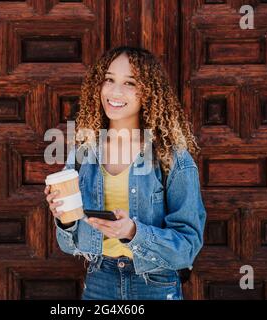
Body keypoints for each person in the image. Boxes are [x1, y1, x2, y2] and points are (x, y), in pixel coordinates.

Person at [44, 46, 206, 300]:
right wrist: (65, 220)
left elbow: (187, 247)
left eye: (130, 83)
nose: (115, 92)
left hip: (156, 283)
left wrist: (133, 232)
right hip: (99, 281)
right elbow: (68, 245)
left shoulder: (172, 157)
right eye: (109, 79)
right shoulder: (83, 152)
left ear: (149, 93)